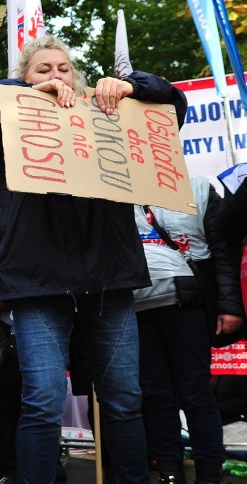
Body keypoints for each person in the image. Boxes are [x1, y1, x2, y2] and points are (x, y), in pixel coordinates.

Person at [0, 34, 188, 484]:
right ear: (23, 78)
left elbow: (172, 108)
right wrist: (24, 95)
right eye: (43, 70)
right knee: (42, 400)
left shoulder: (108, 116)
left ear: (76, 76)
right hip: (39, 285)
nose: (55, 76)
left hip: (109, 280)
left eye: (62, 69)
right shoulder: (6, 126)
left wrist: (134, 86)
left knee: (122, 398)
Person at [133, 175, 243, 484]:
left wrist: (229, 306)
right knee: (155, 394)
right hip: (133, 305)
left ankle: (209, 472)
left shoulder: (195, 184)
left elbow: (224, 244)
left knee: (194, 390)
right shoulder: (111, 185)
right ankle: (170, 472)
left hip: (187, 299)